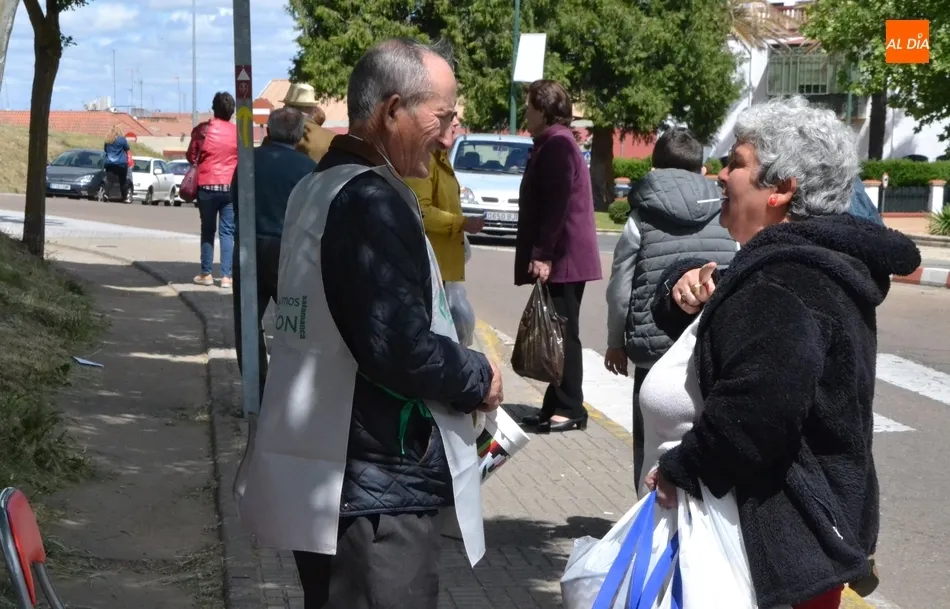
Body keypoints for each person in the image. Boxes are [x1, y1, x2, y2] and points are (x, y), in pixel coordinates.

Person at [237, 39, 503, 609]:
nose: (452, 133)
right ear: (391, 111)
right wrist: (478, 377)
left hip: (334, 471)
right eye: (444, 116)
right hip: (377, 484)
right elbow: (398, 346)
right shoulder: (372, 200)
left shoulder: (319, 184)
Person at [642, 96, 920, 609]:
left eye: (737, 163)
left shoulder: (787, 280)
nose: (720, 175)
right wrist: (678, 288)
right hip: (763, 552)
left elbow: (757, 411)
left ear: (783, 189)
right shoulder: (785, 267)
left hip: (769, 560)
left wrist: (684, 469)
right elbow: (706, 327)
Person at [603, 127, 736, 490]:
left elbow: (620, 286)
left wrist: (616, 341)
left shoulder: (641, 215)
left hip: (654, 351)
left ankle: (649, 524)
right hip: (708, 348)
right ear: (701, 166)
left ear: (654, 165)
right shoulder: (726, 209)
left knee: (651, 449)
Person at [515, 79, 601, 433]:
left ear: (544, 110)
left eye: (530, 107)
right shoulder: (553, 143)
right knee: (556, 330)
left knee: (563, 333)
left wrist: (543, 254)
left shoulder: (557, 146)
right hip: (562, 257)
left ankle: (570, 407)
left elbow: (556, 205)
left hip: (564, 258)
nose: (526, 113)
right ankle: (555, 403)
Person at [230, 107, 317, 402]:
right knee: (294, 322)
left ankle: (257, 390)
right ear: (298, 135)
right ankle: (291, 389)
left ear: (268, 131)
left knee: (248, 322)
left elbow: (235, 200)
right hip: (290, 254)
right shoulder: (307, 168)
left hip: (249, 249)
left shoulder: (248, 161)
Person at [404, 114, 484, 283]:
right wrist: (461, 222)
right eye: (450, 116)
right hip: (429, 270)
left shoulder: (441, 157)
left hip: (442, 270)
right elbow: (420, 212)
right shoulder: (425, 159)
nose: (457, 122)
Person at [187, 92, 238, 288]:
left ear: (214, 108)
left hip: (206, 186)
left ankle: (206, 274)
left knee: (208, 230)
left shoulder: (202, 130)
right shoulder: (238, 132)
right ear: (231, 111)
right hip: (229, 186)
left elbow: (192, 156)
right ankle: (226, 277)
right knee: (228, 232)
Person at [273, 82, 337, 163]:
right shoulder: (333, 138)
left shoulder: (279, 135)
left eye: (285, 105)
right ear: (313, 109)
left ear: (288, 107)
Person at [103, 125, 130, 202]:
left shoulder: (108, 140)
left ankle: (106, 194)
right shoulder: (122, 139)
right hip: (121, 163)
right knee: (123, 181)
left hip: (110, 163)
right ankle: (124, 197)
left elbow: (105, 150)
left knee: (110, 180)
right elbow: (127, 148)